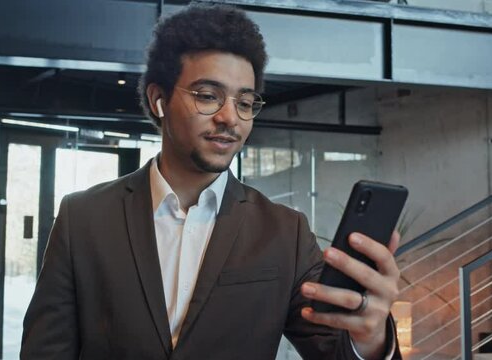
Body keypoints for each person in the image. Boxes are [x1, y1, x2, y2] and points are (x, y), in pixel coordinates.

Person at [21, 4, 402, 360]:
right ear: (158, 100)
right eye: (208, 96)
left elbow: (334, 346)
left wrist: (370, 340)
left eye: (245, 102)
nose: (229, 118)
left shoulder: (286, 231)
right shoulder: (82, 218)